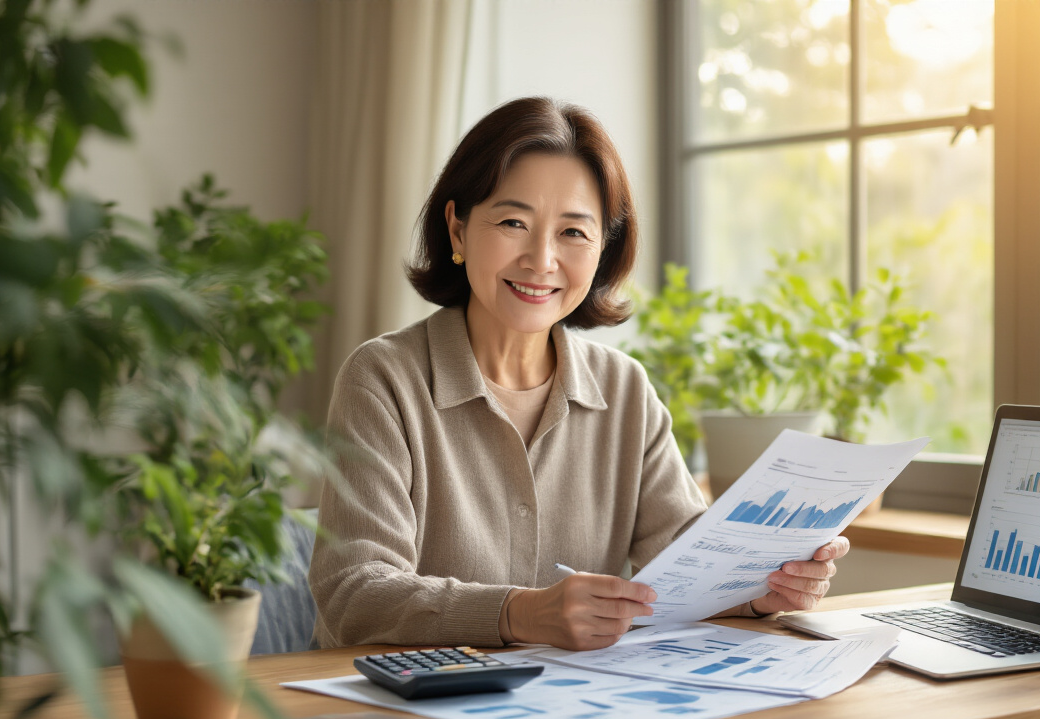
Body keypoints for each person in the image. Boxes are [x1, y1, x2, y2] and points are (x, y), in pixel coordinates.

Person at [309, 96, 849, 651]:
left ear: (602, 251)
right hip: (401, 713)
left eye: (573, 232)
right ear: (458, 230)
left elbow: (689, 569)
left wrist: (762, 588)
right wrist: (519, 613)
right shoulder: (383, 378)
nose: (542, 259)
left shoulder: (625, 389)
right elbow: (354, 592)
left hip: (568, 713)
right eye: (513, 221)